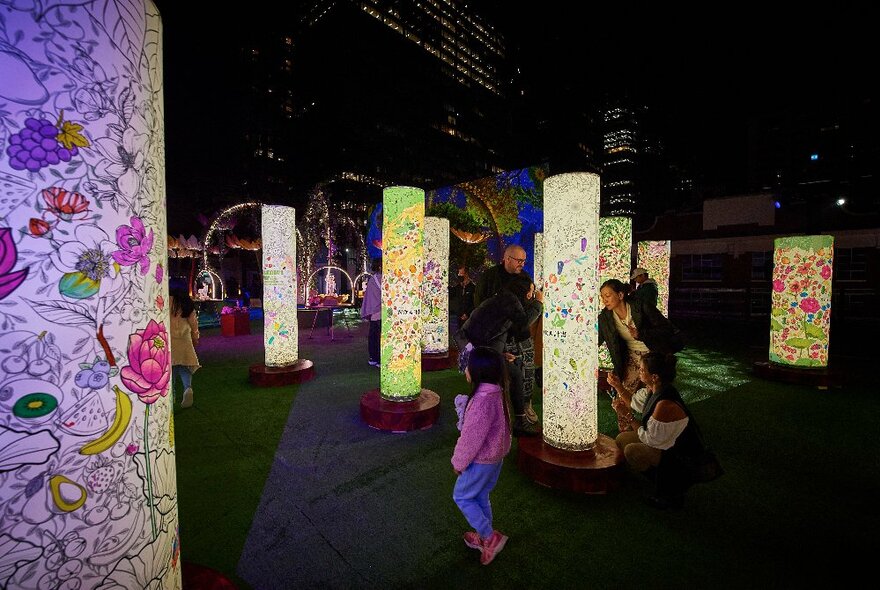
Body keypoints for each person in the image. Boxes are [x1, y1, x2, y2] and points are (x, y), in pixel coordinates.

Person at [607, 352, 706, 509]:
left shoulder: (664, 404)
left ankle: (671, 489)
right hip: (664, 442)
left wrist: (627, 416)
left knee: (633, 451)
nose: (639, 372)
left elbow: (649, 439)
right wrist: (618, 386)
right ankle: (661, 478)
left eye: (641, 369)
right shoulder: (652, 390)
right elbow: (634, 402)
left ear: (654, 377)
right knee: (622, 439)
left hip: (681, 455)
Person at [457, 273, 541, 436]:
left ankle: (502, 423)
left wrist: (501, 354)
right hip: (477, 354)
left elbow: (494, 330)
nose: (531, 295)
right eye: (530, 291)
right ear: (522, 290)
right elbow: (522, 324)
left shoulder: (505, 299)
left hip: (484, 352)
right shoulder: (509, 300)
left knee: (497, 384)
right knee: (500, 383)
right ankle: (508, 423)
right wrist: (539, 303)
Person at [451, 346, 512, 565]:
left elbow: (471, 438)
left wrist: (458, 462)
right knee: (480, 495)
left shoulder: (481, 401)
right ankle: (484, 536)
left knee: (462, 496)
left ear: (477, 371)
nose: (464, 369)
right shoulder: (496, 391)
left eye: (467, 365)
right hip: (495, 457)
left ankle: (489, 537)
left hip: (481, 460)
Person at [598, 279, 680, 432]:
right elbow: (596, 338)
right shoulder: (605, 317)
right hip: (631, 356)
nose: (604, 300)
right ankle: (626, 433)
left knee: (653, 395)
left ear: (620, 295)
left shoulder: (640, 306)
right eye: (602, 296)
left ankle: (654, 431)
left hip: (652, 356)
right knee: (622, 396)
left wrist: (642, 334)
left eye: (608, 295)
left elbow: (666, 328)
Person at [170, 287, 200, 408]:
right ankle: (188, 388)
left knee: (171, 367)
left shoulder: (167, 300)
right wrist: (195, 337)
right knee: (185, 364)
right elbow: (193, 323)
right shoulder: (187, 303)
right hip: (185, 338)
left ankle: (171, 396)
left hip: (170, 338)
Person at [360, 258, 382, 367]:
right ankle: (378, 359)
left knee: (373, 336)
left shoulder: (373, 279)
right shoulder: (380, 278)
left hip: (374, 313)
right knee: (378, 337)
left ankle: (373, 358)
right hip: (380, 312)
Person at [449, 265, 475, 337]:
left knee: (468, 336)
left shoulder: (473, 288)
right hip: (459, 316)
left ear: (466, 274)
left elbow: (474, 303)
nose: (459, 275)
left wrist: (467, 313)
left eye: (461, 274)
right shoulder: (458, 287)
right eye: (458, 274)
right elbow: (450, 293)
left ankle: (470, 348)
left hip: (468, 317)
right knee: (461, 336)